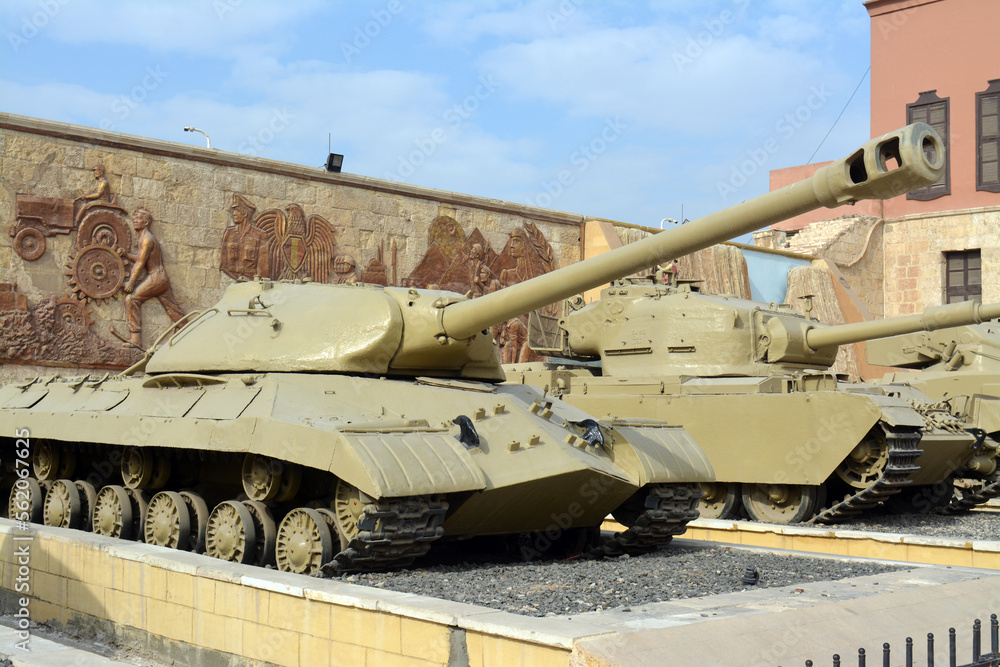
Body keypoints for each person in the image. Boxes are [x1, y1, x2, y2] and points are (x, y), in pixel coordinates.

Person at [123, 207, 186, 346]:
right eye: (135, 218)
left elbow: (140, 264)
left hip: (156, 278)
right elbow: (142, 259)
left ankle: (135, 340)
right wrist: (126, 255)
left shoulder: (147, 240)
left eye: (139, 218)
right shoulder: (144, 238)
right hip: (160, 278)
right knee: (173, 310)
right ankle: (191, 331)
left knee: (131, 299)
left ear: (146, 223)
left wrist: (131, 282)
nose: (135, 220)